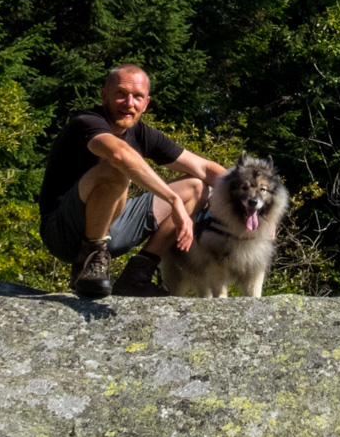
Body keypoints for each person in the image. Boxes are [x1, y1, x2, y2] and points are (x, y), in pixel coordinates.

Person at [37, 64, 228, 299]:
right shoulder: (86, 122)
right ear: (104, 94)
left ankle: (137, 276)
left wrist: (255, 211)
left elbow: (204, 167)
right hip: (63, 232)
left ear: (146, 103)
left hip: (112, 229)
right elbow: (119, 155)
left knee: (197, 187)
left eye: (137, 97)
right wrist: (172, 199)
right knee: (116, 169)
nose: (129, 103)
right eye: (121, 94)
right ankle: (90, 261)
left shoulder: (142, 133)